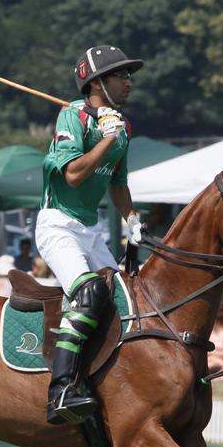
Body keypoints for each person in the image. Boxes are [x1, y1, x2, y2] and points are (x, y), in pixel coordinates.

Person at [34, 45, 142, 424]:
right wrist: (106, 139)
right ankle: (61, 389)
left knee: (127, 296)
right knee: (88, 291)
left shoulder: (121, 126)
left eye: (129, 76)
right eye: (121, 75)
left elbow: (118, 185)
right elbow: (74, 174)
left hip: (91, 230)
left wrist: (133, 219)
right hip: (58, 225)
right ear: (97, 82)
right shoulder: (71, 117)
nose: (129, 82)